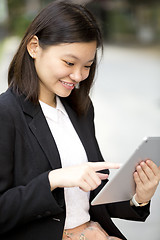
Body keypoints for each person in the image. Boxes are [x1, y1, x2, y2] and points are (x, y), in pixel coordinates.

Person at [0, 1, 159, 240]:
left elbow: (94, 195)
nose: (78, 76)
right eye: (69, 63)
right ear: (34, 47)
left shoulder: (80, 109)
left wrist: (140, 196)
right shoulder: (6, 113)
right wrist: (53, 179)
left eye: (87, 66)